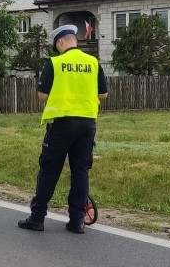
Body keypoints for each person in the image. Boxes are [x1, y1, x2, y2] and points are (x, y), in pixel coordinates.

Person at [19, 24, 108, 234]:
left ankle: (37, 217)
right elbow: (103, 95)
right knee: (80, 170)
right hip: (87, 123)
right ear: (74, 40)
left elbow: (42, 95)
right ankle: (77, 220)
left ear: (60, 42)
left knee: (49, 169)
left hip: (62, 123)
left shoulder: (55, 62)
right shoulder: (93, 62)